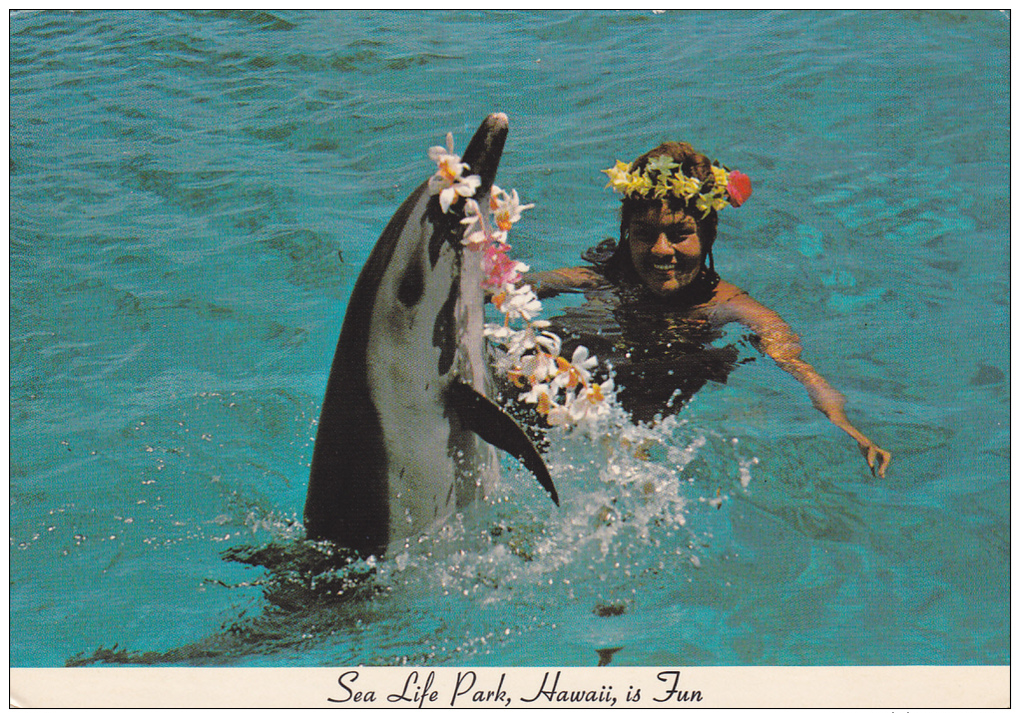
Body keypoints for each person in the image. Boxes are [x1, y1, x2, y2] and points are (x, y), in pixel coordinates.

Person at [524, 141, 891, 478]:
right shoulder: (604, 279)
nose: (661, 250)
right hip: (576, 366)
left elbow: (797, 364)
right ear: (626, 233)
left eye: (679, 234)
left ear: (708, 235)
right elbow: (520, 286)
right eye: (645, 234)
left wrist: (844, 425)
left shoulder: (727, 305)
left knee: (633, 448)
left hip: (653, 388)